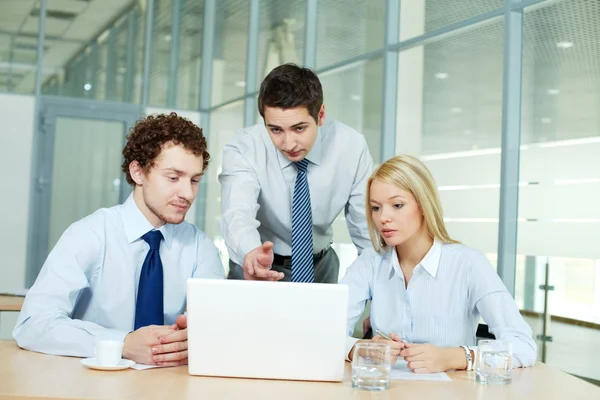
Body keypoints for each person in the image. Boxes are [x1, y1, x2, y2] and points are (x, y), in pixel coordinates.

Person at [13, 113, 280, 366]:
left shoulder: (200, 248)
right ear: (138, 172)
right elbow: (32, 324)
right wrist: (123, 343)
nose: (187, 193)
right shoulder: (90, 234)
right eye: (173, 177)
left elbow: (213, 328)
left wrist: (211, 324)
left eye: (195, 180)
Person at [341, 155, 537, 372]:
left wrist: (453, 357)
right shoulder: (370, 262)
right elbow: (322, 333)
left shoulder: (469, 264)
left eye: (397, 205)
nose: (383, 217)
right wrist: (361, 348)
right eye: (376, 208)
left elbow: (523, 345)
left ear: (424, 205)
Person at [219, 63, 374, 283]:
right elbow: (237, 214)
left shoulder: (351, 147)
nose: (289, 143)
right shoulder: (245, 147)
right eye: (276, 130)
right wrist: (251, 253)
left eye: (299, 128)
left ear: (320, 115)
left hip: (321, 267)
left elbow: (366, 229)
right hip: (258, 267)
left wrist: (379, 289)